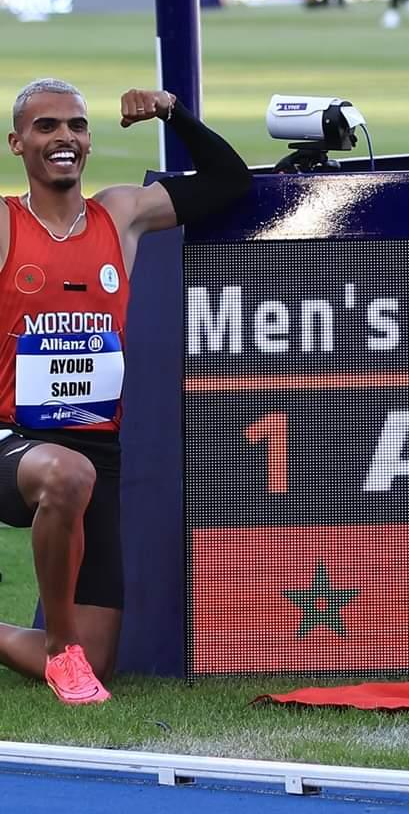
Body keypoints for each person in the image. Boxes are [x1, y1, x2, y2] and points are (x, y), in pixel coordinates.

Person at [0, 79, 251, 704]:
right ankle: (60, 652)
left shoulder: (121, 215)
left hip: (97, 451)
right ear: (17, 144)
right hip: (13, 442)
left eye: (77, 126)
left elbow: (229, 181)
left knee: (102, 657)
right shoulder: (4, 223)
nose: (64, 138)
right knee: (66, 474)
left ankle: (69, 652)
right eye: (46, 127)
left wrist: (175, 112)